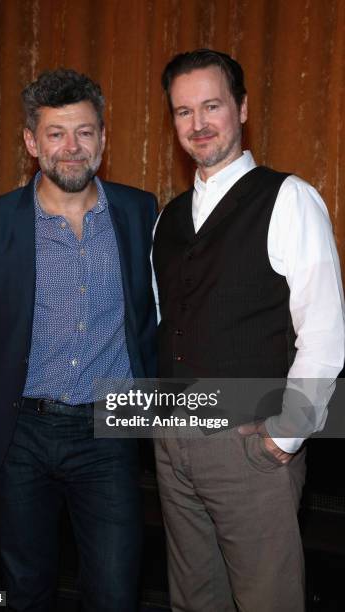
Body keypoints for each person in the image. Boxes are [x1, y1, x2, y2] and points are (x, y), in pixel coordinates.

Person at [0, 68, 157, 612]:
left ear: (103, 139)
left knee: (114, 592)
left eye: (84, 132)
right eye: (56, 133)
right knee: (27, 590)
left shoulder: (139, 211)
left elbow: (157, 317)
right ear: (31, 142)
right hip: (20, 434)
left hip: (111, 428)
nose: (71, 147)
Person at [152, 49, 344, 612]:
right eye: (183, 112)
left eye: (211, 105)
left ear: (241, 108)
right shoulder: (168, 217)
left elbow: (326, 333)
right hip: (173, 441)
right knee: (193, 601)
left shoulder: (289, 198)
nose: (198, 123)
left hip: (249, 447)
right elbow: (173, 326)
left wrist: (286, 434)